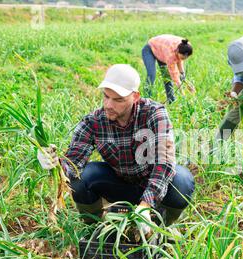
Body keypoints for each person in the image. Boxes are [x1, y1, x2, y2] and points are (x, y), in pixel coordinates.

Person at [37, 64, 195, 236]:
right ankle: (95, 227)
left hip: (152, 186)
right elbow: (74, 162)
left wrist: (145, 205)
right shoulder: (93, 121)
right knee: (81, 177)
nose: (109, 105)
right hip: (119, 184)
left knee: (182, 181)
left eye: (118, 100)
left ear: (135, 96)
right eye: (106, 96)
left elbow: (164, 163)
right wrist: (55, 164)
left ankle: (158, 226)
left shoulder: (154, 113)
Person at [142, 34, 195, 104]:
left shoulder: (186, 46)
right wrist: (183, 94)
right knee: (151, 74)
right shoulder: (170, 55)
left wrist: (185, 80)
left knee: (166, 77)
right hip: (150, 49)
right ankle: (146, 100)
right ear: (177, 51)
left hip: (161, 50)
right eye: (182, 57)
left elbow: (179, 61)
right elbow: (175, 77)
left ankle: (171, 100)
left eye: (185, 58)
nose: (183, 59)